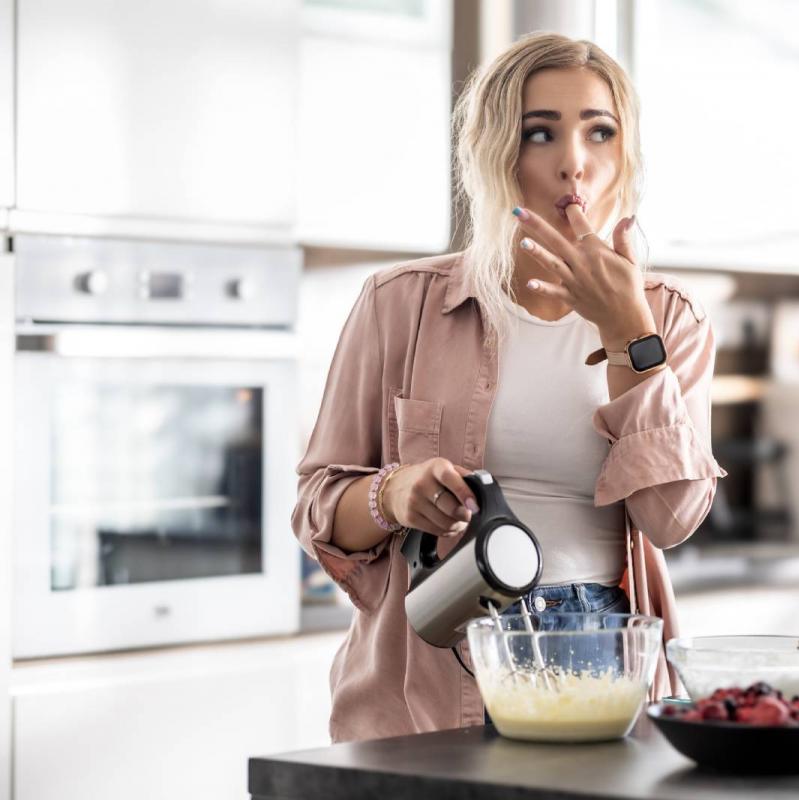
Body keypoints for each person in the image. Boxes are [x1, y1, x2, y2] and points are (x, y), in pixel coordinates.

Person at [292, 31, 726, 743]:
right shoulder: (400, 303)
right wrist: (392, 494)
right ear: (495, 151)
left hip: (598, 651)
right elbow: (317, 508)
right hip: (432, 662)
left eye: (600, 131)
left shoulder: (669, 315)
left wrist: (628, 332)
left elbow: (671, 518)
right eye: (539, 133)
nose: (573, 163)